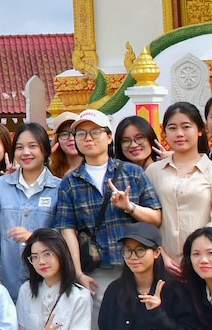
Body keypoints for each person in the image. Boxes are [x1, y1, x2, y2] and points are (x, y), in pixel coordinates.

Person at [53, 111, 161, 304]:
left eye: (95, 132)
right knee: (102, 325)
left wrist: (130, 207)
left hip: (137, 265)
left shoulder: (132, 173)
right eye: (81, 133)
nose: (88, 138)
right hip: (97, 270)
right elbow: (67, 229)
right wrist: (78, 273)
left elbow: (156, 218)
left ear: (109, 137)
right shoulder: (70, 182)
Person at [147, 102, 212, 271]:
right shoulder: (153, 171)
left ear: (200, 130)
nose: (179, 134)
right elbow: (147, 219)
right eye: (172, 128)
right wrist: (161, 255)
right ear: (164, 132)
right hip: (163, 265)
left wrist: (197, 257)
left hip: (204, 266)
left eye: (186, 127)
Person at [0, 123, 60, 301]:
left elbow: (62, 236)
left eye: (33, 146)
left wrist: (34, 237)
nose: (25, 153)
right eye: (19, 147)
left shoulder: (59, 188)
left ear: (45, 150)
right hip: (6, 282)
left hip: (47, 283)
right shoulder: (0, 187)